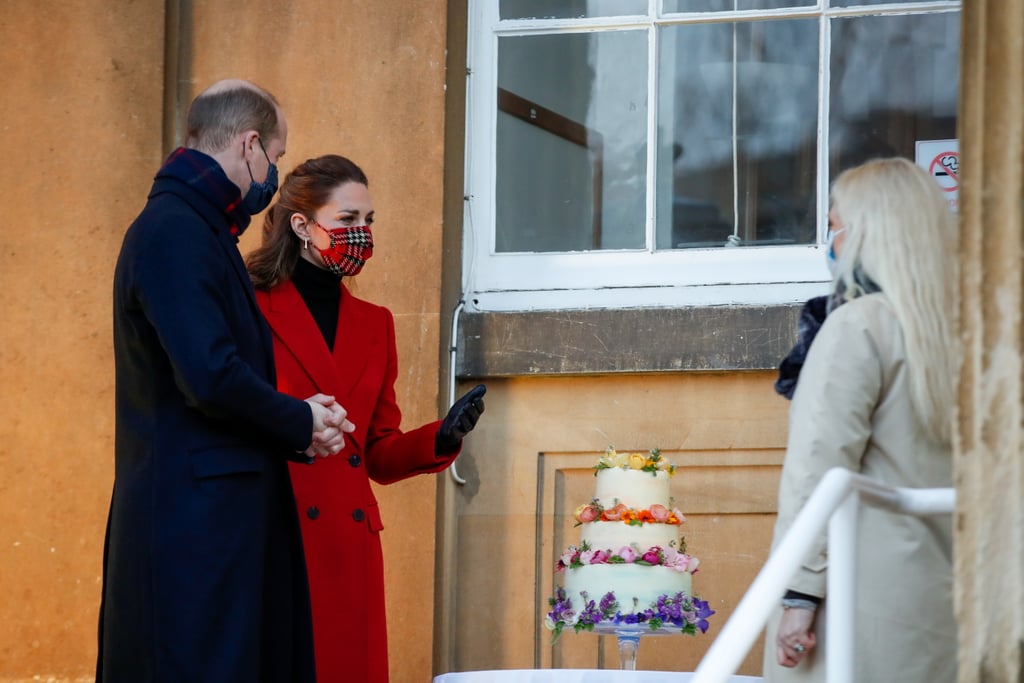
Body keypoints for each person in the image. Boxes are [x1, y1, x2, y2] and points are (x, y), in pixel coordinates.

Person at [99, 80, 356, 683]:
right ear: (249, 146)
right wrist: (301, 421)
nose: (275, 172)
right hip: (194, 535)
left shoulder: (198, 228)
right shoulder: (176, 230)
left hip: (212, 526)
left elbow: (216, 370)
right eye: (278, 155)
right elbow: (209, 376)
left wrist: (297, 416)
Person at [245, 154, 486, 683]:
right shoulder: (250, 305)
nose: (362, 234)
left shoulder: (374, 324)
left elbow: (377, 449)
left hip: (349, 542)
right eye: (348, 220)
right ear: (302, 225)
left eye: (369, 221)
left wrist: (439, 437)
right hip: (274, 527)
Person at [763, 157, 957, 683]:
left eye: (833, 226)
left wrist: (799, 593)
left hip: (858, 599)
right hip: (952, 602)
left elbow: (819, 468)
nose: (832, 242)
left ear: (866, 233)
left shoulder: (858, 326)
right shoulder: (975, 332)